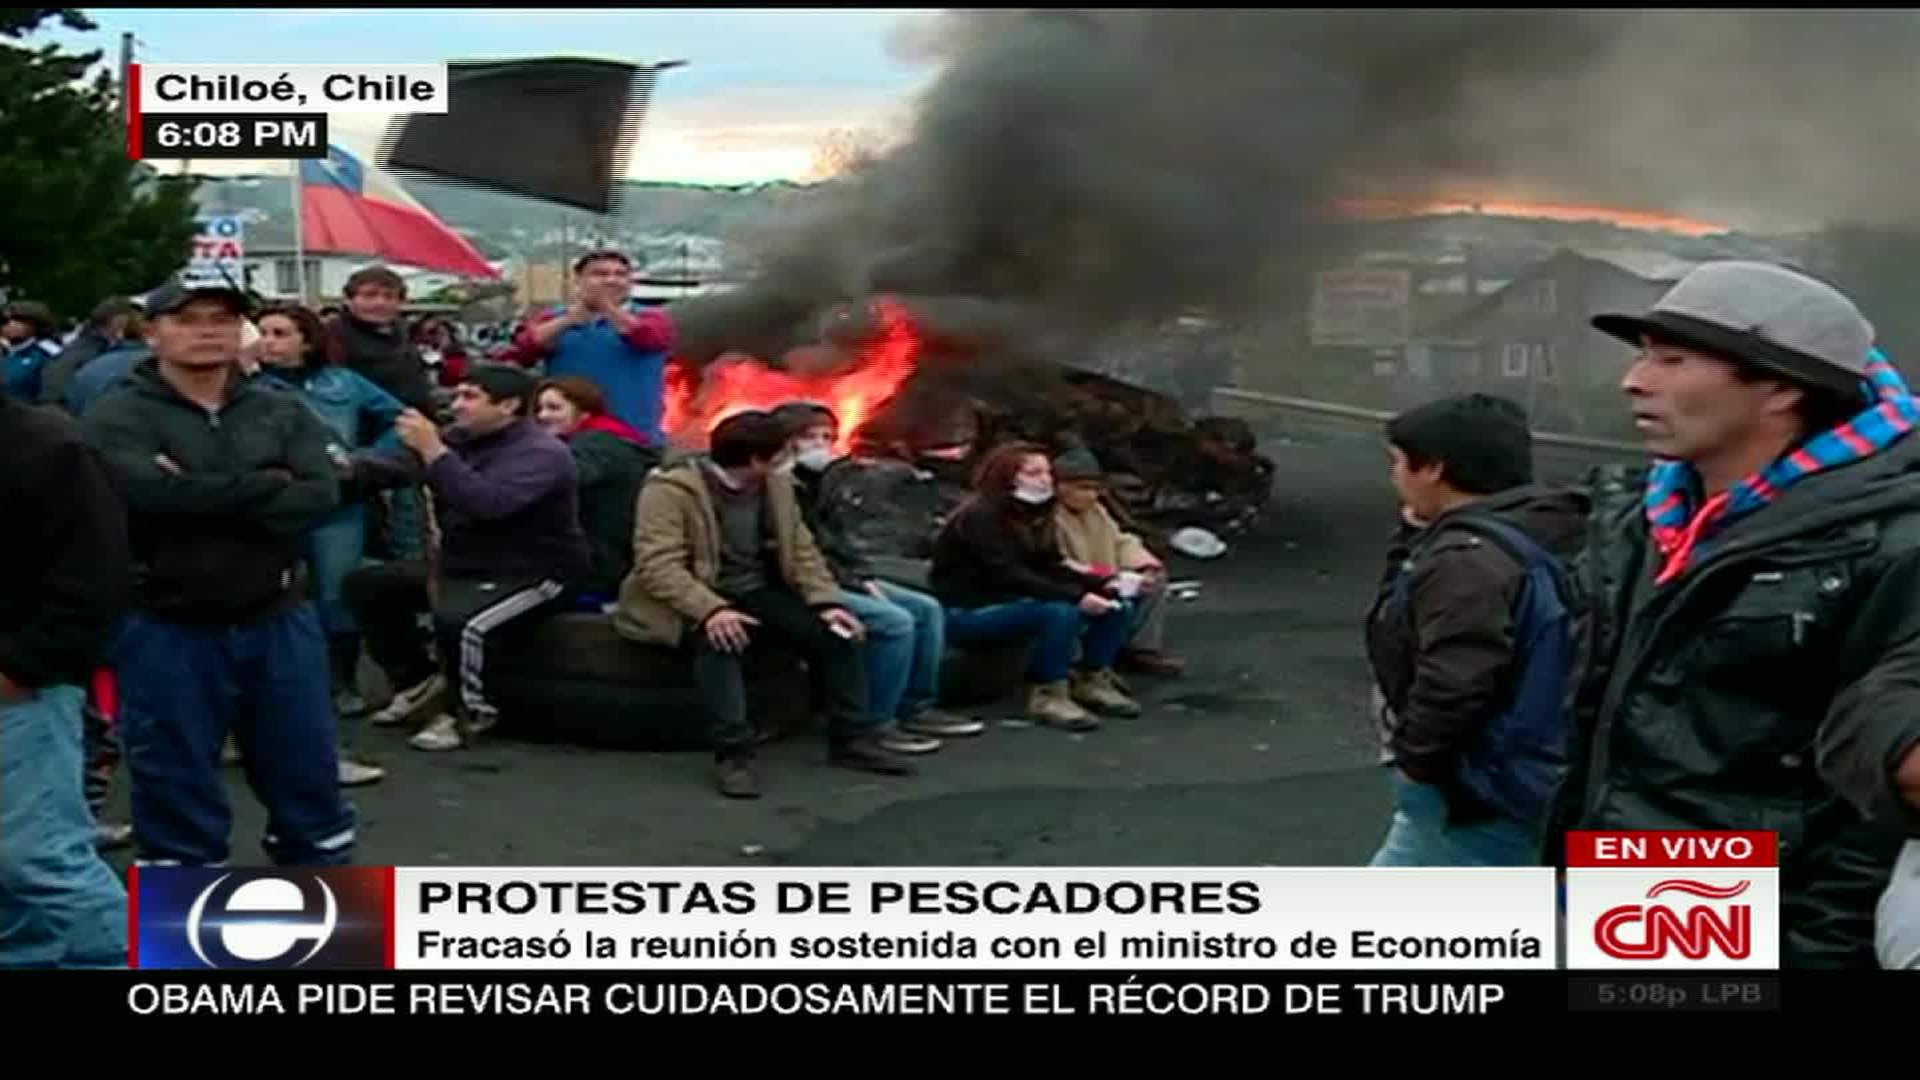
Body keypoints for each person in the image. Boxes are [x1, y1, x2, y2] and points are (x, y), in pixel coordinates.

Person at [1548, 260, 1920, 967]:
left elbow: (1873, 798)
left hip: (1772, 928)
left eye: (1672, 359)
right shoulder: (1646, 524)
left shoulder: (1893, 545)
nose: (1635, 380)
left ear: (1780, 385)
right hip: (1640, 897)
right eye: (1643, 356)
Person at [82, 282, 356, 868]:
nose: (207, 331)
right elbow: (144, 495)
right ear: (152, 332)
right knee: (175, 796)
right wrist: (264, 483)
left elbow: (320, 493)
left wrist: (194, 492)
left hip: (278, 617)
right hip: (165, 624)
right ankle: (186, 947)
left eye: (222, 320)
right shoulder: (116, 414)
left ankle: (327, 939)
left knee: (308, 786)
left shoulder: (279, 408)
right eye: (188, 320)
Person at [613, 410, 912, 798]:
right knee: (721, 643)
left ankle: (851, 740)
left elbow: (801, 549)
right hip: (691, 596)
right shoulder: (670, 491)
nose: (789, 460)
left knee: (838, 637)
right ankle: (734, 756)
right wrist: (711, 610)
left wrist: (824, 602)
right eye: (781, 453)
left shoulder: (777, 486)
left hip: (756, 590)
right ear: (756, 460)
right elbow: (658, 565)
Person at [1362, 394, 1586, 867]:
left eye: (1400, 463)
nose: (1394, 476)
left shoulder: (1465, 560)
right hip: (1539, 769)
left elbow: (1456, 677)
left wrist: (1416, 762)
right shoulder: (1548, 529)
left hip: (1479, 784)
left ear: (1434, 469)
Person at [343, 364, 589, 752]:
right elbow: (404, 469)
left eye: (470, 397)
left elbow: (487, 503)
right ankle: (417, 682)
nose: (457, 406)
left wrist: (434, 451)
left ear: (508, 406)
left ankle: (469, 713)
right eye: (456, 395)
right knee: (367, 586)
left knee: (462, 623)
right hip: (464, 563)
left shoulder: (542, 453)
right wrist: (349, 465)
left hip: (534, 571)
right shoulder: (462, 438)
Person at [0, 376, 132, 967]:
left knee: (35, 857)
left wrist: (20, 668)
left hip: (19, 690)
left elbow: (92, 578)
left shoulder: (46, 446)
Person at [254, 301, 411, 786]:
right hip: (277, 505)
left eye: (281, 332)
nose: (270, 341)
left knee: (338, 595)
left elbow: (398, 417)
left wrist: (367, 458)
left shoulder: (342, 383)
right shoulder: (252, 388)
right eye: (263, 332)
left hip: (339, 505)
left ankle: (341, 681)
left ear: (307, 339)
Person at [772, 402, 985, 751]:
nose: (821, 444)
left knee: (927, 609)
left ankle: (917, 707)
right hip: (805, 584)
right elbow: (800, 553)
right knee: (895, 622)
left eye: (828, 436)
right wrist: (855, 585)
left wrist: (863, 577)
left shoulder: (821, 482)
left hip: (839, 576)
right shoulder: (777, 488)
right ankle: (876, 722)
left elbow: (836, 540)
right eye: (810, 437)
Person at [928, 441, 1140, 730]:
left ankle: (1093, 676)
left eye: (1047, 473)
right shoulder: (980, 517)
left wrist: (1101, 582)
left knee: (1117, 604)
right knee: (1059, 612)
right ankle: (1049, 692)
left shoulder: (1036, 515)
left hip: (1013, 597)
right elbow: (1009, 574)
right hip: (970, 608)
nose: (1045, 480)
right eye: (1033, 473)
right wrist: (1077, 596)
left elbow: (1050, 563)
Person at [499, 250, 676, 444]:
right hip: (566, 434)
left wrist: (607, 308)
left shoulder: (653, 317)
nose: (611, 280)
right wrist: (568, 320)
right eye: (600, 274)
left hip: (633, 435)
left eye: (620, 274)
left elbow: (646, 337)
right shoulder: (552, 318)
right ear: (578, 280)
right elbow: (526, 349)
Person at [323, 266, 433, 562]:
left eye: (389, 296)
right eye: (370, 295)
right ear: (349, 300)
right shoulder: (334, 337)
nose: (380, 303)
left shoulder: (400, 335)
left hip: (408, 440)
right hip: (362, 444)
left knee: (409, 524)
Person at [1049, 446, 1187, 677]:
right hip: (1074, 580)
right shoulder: (1049, 517)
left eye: (1093, 489)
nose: (1089, 495)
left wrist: (1144, 565)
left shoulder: (1096, 512)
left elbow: (1120, 541)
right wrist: (1102, 576)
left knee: (1154, 581)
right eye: (1081, 488)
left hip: (1105, 575)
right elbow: (1057, 561)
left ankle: (1140, 648)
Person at [534, 376, 661, 604]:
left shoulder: (594, 446)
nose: (543, 416)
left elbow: (560, 481)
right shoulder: (616, 440)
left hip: (596, 566)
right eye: (540, 409)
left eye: (554, 408)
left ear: (584, 412)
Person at [38, 296, 140, 409]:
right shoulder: (82, 353)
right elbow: (52, 396)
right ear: (116, 321)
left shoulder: (99, 348)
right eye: (134, 318)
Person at [2, 301, 64, 403]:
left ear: (37, 325)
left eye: (20, 320)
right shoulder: (5, 351)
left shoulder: (47, 355)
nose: (11, 324)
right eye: (5, 321)